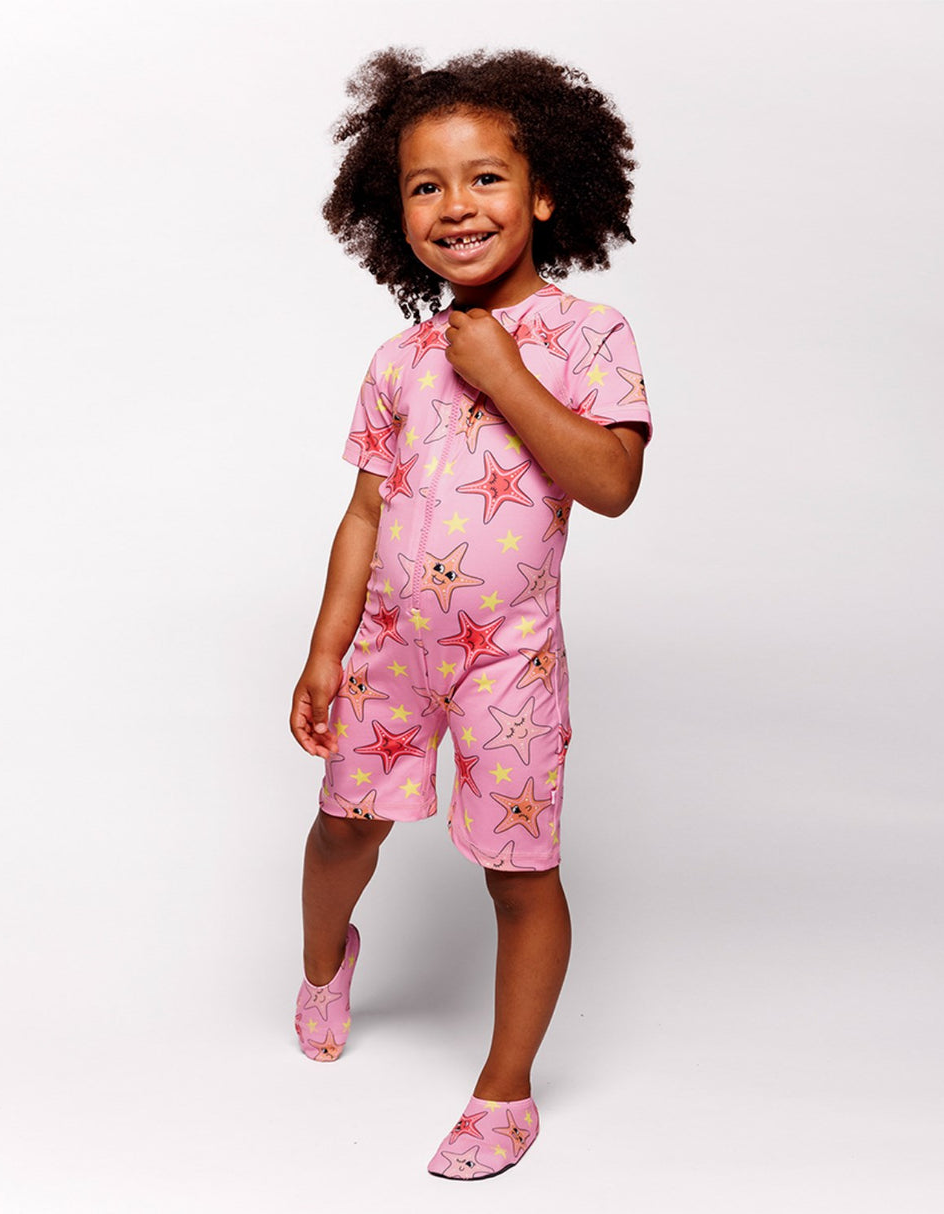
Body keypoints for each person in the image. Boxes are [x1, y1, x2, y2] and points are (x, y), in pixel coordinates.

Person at [289, 47, 652, 1181]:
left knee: (519, 871)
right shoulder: (397, 360)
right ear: (392, 211)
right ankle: (323, 962)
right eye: (426, 185)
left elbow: (611, 483)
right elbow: (364, 512)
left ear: (543, 193)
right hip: (390, 651)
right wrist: (325, 649)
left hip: (510, 661)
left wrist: (502, 371)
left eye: (485, 177)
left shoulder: (589, 337)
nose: (456, 205)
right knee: (344, 826)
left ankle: (505, 1090)